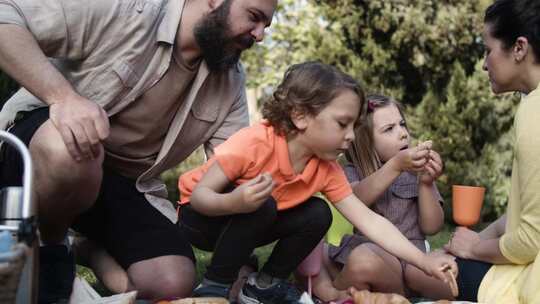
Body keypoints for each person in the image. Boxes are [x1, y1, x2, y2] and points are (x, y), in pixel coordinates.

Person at [0, 0, 277, 301]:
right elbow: (5, 18)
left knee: (172, 281)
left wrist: (242, 263)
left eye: (266, 25)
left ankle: (85, 248)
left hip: (121, 183)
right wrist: (62, 98)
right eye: (254, 17)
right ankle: (52, 252)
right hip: (37, 154)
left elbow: (237, 173)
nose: (260, 34)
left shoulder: (231, 82)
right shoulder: (126, 10)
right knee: (74, 150)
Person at [177, 62, 457, 304]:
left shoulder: (326, 167)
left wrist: (424, 261)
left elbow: (370, 221)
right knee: (264, 204)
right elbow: (200, 195)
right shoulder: (255, 143)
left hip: (252, 220)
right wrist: (235, 201)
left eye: (354, 127)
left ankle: (262, 286)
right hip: (202, 218)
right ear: (300, 116)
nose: (350, 136)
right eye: (342, 124)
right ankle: (214, 286)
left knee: (317, 213)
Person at [397, 0, 540, 302]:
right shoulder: (531, 103)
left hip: (528, 280)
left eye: (488, 50)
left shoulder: (535, 114)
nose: (484, 63)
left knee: (417, 272)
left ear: (519, 48)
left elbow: (530, 240)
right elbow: (523, 215)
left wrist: (474, 248)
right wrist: (462, 244)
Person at [303, 94, 446, 302]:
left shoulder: (416, 173)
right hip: (357, 250)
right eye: (389, 129)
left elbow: (432, 227)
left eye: (402, 124)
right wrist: (395, 166)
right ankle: (343, 293)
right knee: (310, 250)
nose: (403, 134)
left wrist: (426, 183)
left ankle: (334, 295)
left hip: (403, 264)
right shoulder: (352, 171)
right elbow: (355, 199)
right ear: (365, 141)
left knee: (364, 259)